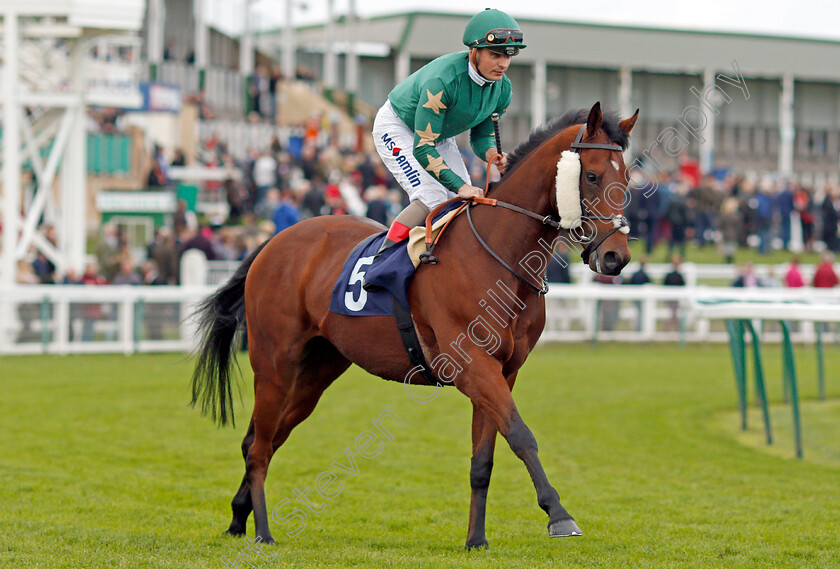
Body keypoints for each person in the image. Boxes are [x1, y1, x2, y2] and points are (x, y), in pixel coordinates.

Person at [362, 8, 526, 287]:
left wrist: (492, 155)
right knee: (433, 194)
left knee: (461, 203)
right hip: (399, 127)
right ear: (474, 52)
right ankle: (381, 263)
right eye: (495, 55)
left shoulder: (503, 89)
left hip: (438, 136)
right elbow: (423, 148)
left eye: (508, 56)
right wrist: (460, 185)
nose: (503, 64)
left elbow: (481, 135)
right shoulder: (442, 81)